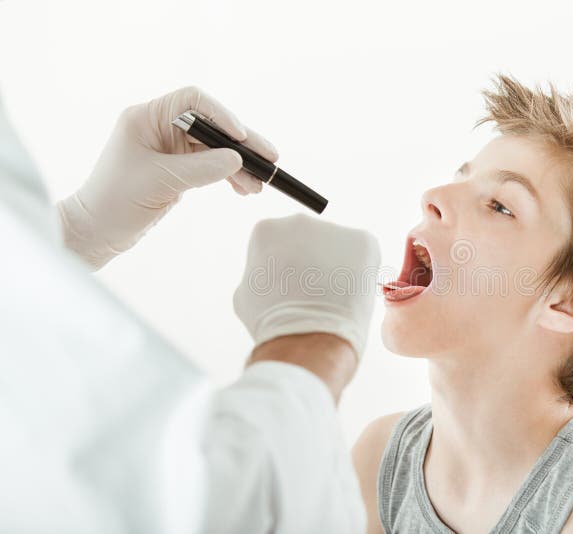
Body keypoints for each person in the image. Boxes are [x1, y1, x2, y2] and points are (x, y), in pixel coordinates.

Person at [0, 85, 380, 533]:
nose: (432, 195)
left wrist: (73, 232)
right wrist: (312, 345)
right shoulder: (384, 453)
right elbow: (192, 506)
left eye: (490, 203)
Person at [352, 75, 573, 533]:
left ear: (568, 302)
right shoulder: (380, 462)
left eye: (500, 206)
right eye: (459, 178)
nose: (433, 198)